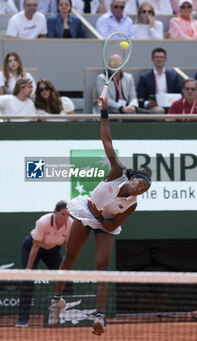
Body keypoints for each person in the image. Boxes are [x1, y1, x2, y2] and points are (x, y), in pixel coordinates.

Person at [48, 97, 151, 335]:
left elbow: (112, 223)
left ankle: (100, 317)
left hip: (103, 223)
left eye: (143, 190)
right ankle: (56, 301)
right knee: (70, 257)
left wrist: (101, 217)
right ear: (133, 179)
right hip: (86, 210)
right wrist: (104, 111)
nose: (139, 189)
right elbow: (106, 138)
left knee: (102, 267)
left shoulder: (132, 205)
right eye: (139, 184)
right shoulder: (117, 172)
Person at [15, 201, 73, 327]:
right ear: (55, 212)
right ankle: (22, 320)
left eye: (68, 215)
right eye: (63, 214)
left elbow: (68, 247)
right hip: (33, 248)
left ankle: (64, 316)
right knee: (27, 282)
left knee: (66, 280)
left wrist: (67, 266)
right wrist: (29, 269)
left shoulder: (70, 224)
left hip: (52, 251)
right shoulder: (43, 222)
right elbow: (35, 246)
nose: (66, 217)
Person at [137, 47, 182, 112]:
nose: (159, 59)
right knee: (159, 110)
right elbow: (140, 97)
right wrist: (148, 104)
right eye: (157, 57)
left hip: (171, 104)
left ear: (165, 59)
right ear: (152, 59)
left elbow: (180, 93)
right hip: (155, 106)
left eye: (161, 57)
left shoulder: (173, 75)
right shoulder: (145, 77)